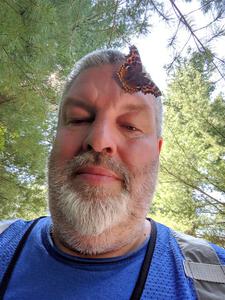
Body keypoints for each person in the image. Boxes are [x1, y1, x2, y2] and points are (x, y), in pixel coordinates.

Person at [0, 46, 224, 300]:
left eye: (130, 126)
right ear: (55, 139)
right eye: (79, 118)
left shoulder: (218, 279)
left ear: (157, 152)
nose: (99, 140)